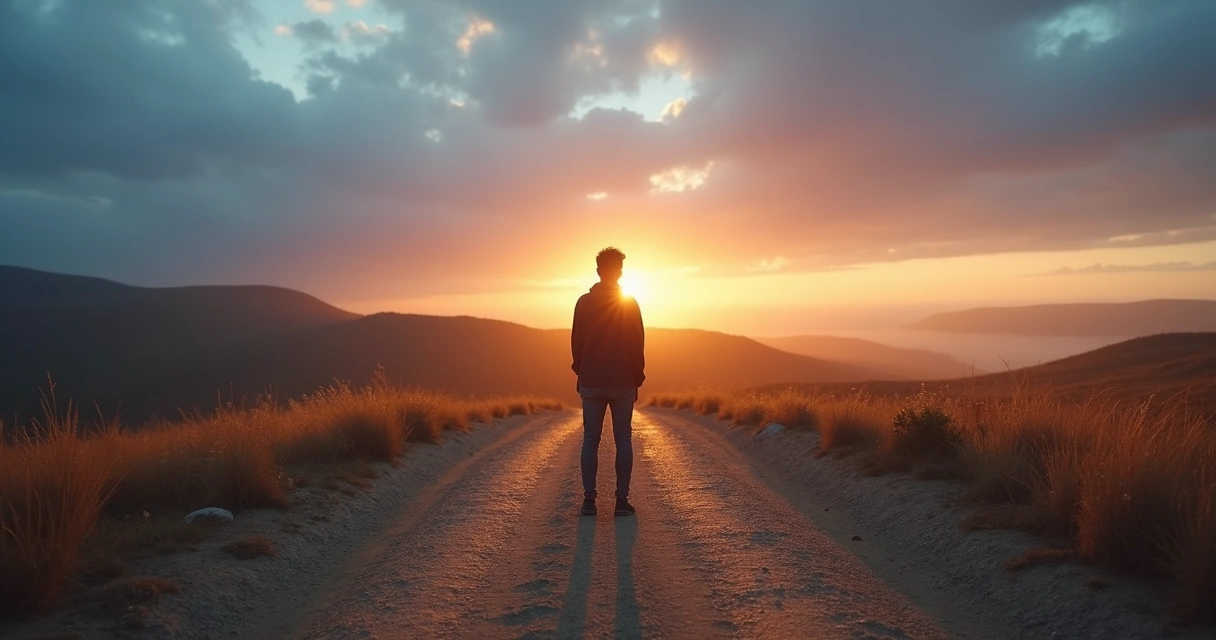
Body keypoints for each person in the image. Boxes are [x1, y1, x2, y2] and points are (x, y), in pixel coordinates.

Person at [570, 247, 645, 517]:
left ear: (599, 270)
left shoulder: (583, 302)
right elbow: (638, 343)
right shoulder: (629, 303)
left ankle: (589, 501)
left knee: (591, 438)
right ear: (620, 272)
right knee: (623, 439)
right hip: (623, 379)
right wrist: (637, 377)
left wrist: (581, 371)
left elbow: (576, 343)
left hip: (591, 378)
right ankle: (621, 502)